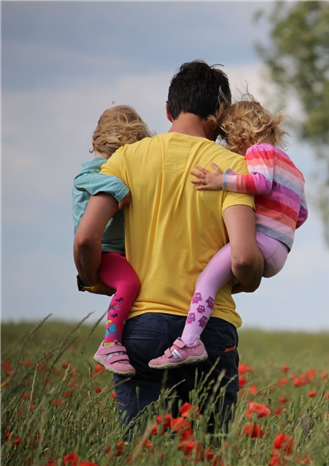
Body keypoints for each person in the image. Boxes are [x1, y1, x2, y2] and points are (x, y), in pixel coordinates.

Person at [73, 60, 264, 428]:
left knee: (144, 449)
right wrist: (251, 279)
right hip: (210, 330)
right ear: (220, 113)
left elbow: (85, 238)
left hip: (141, 325)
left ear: (167, 109)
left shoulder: (125, 159)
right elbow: (242, 258)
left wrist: (94, 278)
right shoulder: (232, 168)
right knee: (207, 450)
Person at [148, 96, 308, 369]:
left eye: (228, 138)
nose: (228, 146)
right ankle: (196, 328)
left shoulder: (260, 152)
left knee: (206, 282)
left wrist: (221, 180)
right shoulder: (293, 168)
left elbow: (261, 183)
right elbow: (301, 214)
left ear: (242, 132)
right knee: (219, 283)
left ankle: (188, 342)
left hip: (261, 242)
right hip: (280, 249)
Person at [72, 105, 151, 377]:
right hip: (104, 251)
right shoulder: (97, 169)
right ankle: (110, 343)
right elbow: (83, 178)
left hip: (118, 251)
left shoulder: (111, 166)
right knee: (129, 283)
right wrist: (118, 187)